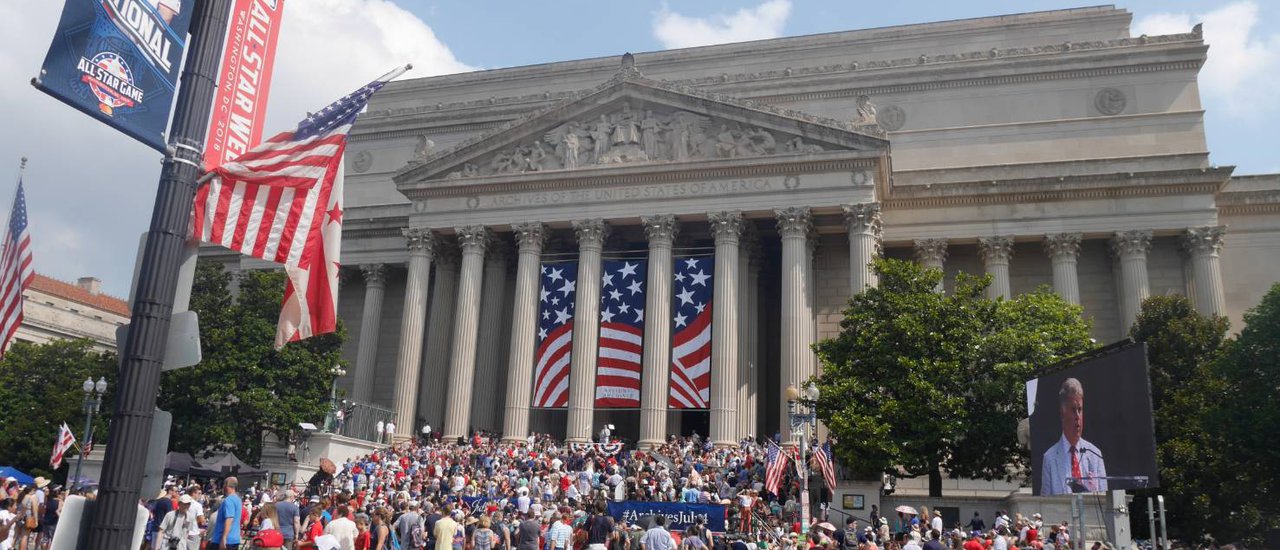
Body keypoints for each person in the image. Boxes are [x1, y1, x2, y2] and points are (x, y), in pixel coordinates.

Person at [1041, 378, 1108, 495]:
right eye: (1073, 410)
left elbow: (1104, 497)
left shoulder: (1095, 454)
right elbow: (1046, 501)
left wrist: (1093, 491)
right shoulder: (1049, 458)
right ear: (1062, 413)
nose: (1078, 416)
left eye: (1080, 409)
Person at [210, 477, 243, 550]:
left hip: (223, 540)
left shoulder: (228, 500)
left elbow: (229, 519)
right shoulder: (238, 500)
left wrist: (224, 538)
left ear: (226, 485)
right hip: (234, 538)